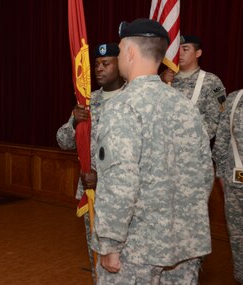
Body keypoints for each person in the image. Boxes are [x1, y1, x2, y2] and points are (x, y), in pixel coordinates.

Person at [92, 18, 214, 284]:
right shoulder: (185, 106)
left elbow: (119, 182)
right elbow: (205, 174)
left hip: (136, 250)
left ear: (130, 52)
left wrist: (110, 243)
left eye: (121, 48)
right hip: (185, 244)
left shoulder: (123, 107)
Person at [56, 42, 125, 282]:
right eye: (96, 64)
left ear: (122, 64)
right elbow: (63, 141)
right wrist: (74, 122)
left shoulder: (132, 99)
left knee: (124, 260)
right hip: (92, 193)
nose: (99, 69)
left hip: (124, 197)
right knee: (96, 256)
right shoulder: (88, 101)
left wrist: (103, 178)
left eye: (106, 64)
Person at [160, 35, 226, 142]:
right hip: (165, 144)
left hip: (194, 147)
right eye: (178, 50)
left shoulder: (212, 81)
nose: (180, 54)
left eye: (185, 49)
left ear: (198, 53)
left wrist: (193, 141)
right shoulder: (165, 79)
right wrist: (160, 82)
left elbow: (218, 117)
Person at [212, 89, 243, 284]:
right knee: (238, 238)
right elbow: (221, 143)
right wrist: (222, 175)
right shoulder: (234, 99)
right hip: (236, 184)